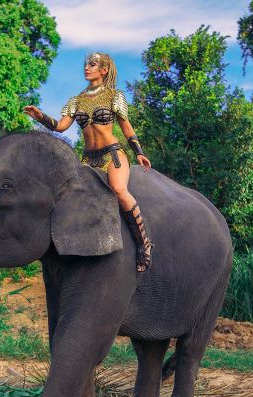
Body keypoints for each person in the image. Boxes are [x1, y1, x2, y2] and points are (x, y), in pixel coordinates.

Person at [24, 52, 154, 272]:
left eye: (92, 65)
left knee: (119, 190)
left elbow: (126, 127)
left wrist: (139, 152)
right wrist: (40, 116)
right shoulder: (77, 100)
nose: (87, 67)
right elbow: (60, 126)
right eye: (86, 64)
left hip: (112, 154)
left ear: (103, 70)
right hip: (88, 159)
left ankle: (144, 244)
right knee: (69, 197)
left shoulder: (114, 95)